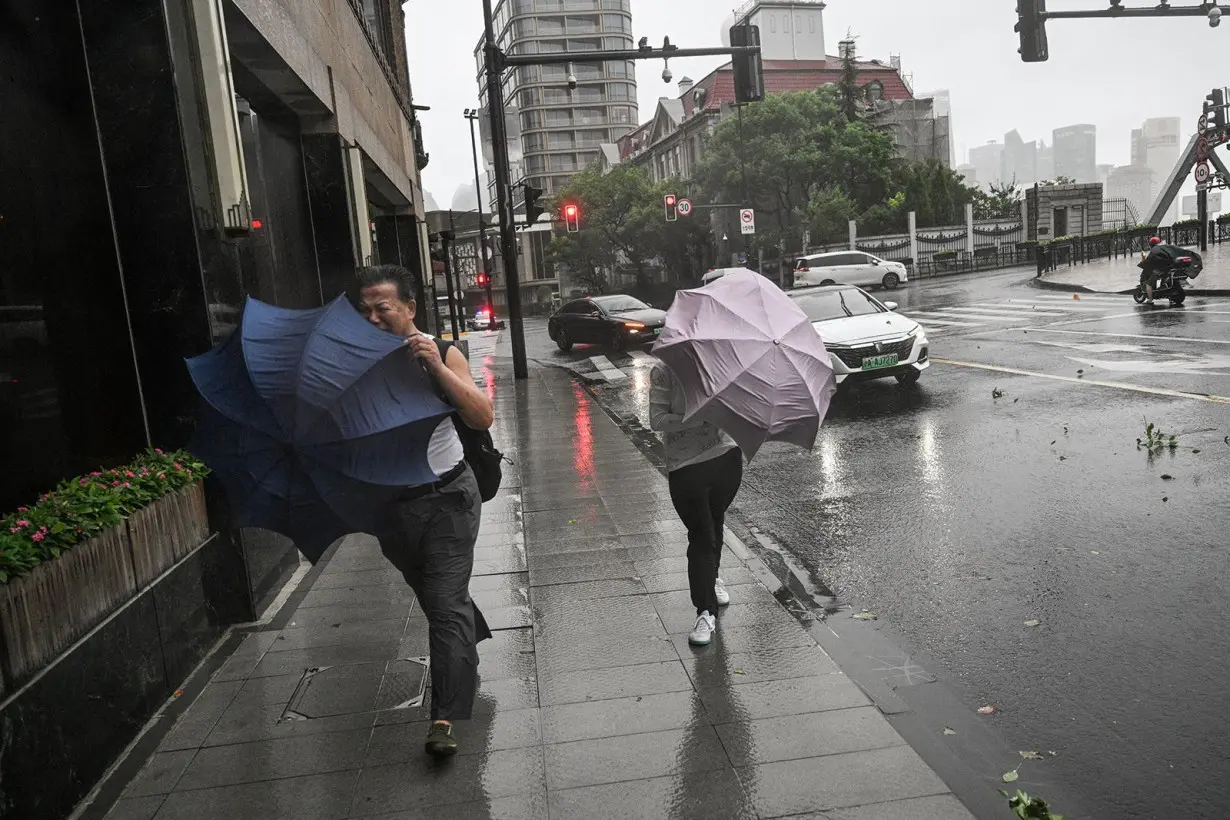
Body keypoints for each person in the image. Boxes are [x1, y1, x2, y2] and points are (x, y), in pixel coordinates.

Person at [353, 264, 495, 758]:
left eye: (383, 308)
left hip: (449, 498)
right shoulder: (358, 364)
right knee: (437, 595)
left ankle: (446, 718)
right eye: (364, 310)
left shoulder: (443, 350)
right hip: (390, 508)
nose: (372, 318)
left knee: (442, 605)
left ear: (409, 308)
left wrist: (435, 366)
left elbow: (481, 414)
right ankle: (465, 635)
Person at [649, 360, 743, 646]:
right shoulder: (664, 371)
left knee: (715, 522)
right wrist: (699, 417)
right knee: (702, 535)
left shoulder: (724, 364)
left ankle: (711, 578)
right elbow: (657, 420)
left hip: (726, 457)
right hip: (685, 465)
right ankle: (705, 612)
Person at [1138, 236, 1184, 304]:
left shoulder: (1154, 252)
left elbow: (1147, 264)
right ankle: (1169, 297)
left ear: (1151, 245)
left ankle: (1150, 300)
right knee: (1164, 280)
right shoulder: (1164, 249)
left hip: (1159, 271)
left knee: (1148, 284)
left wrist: (1143, 257)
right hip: (1168, 269)